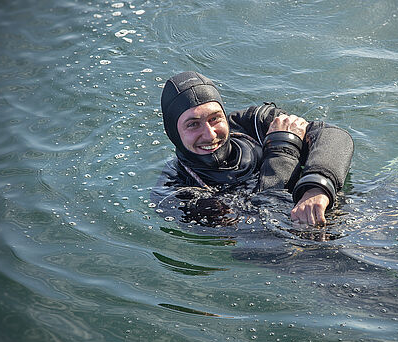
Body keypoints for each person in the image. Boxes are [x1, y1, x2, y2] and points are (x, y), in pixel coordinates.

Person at [151, 71, 354, 226]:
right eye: (193, 124)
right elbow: (269, 228)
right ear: (173, 133)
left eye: (215, 118)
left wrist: (317, 188)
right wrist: (282, 151)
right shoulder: (175, 193)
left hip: (340, 207)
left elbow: (335, 137)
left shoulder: (254, 125)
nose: (210, 134)